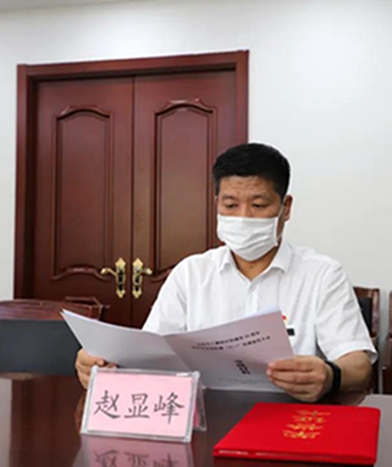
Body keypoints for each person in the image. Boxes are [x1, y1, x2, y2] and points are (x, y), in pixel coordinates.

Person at [76, 143, 376, 402]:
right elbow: (149, 354)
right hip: (203, 415)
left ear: (286, 208)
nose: (244, 217)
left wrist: (330, 375)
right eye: (231, 205)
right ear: (216, 204)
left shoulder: (322, 275)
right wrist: (103, 364)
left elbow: (359, 365)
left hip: (290, 417)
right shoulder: (191, 273)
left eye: (258, 205)